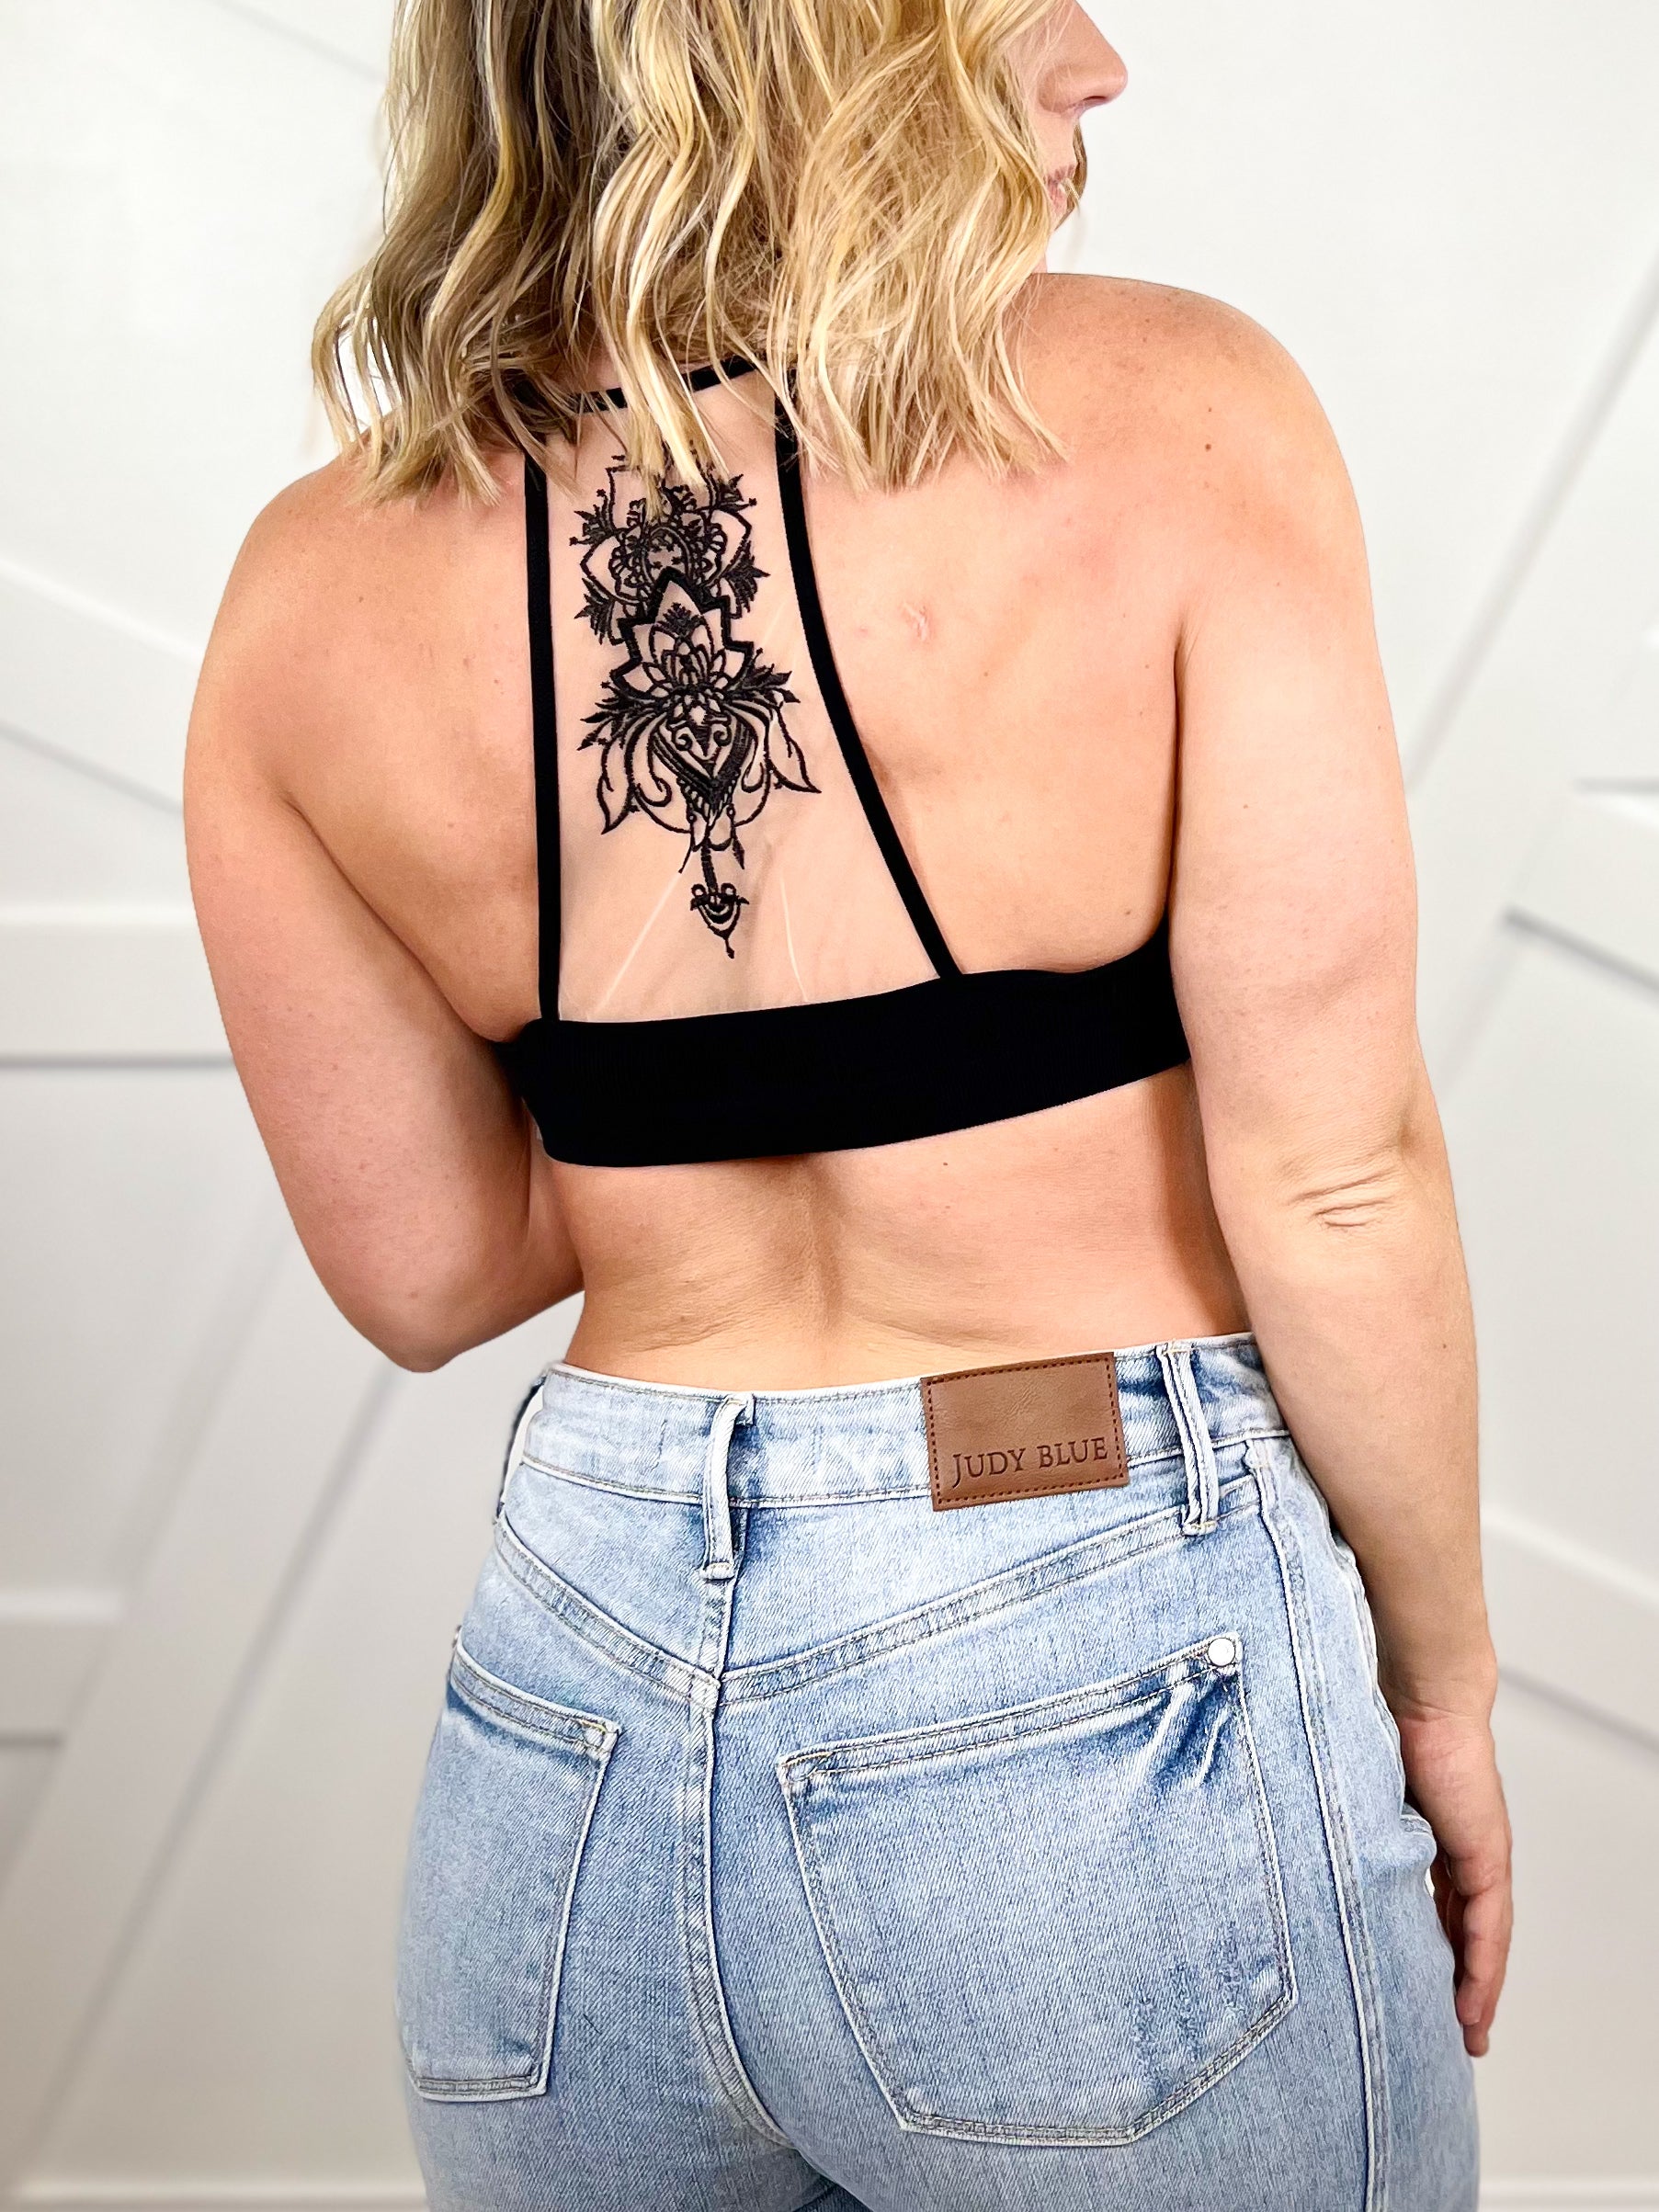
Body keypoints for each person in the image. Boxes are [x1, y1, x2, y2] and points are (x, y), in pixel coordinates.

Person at [183, 0, 1511, 2203]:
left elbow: (425, 1268)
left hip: (570, 1714)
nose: (1097, 59)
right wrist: (1443, 1682)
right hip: (1083, 1638)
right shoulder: (1175, 412)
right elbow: (1337, 1178)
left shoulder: (303, 591)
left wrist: (694, 1081)